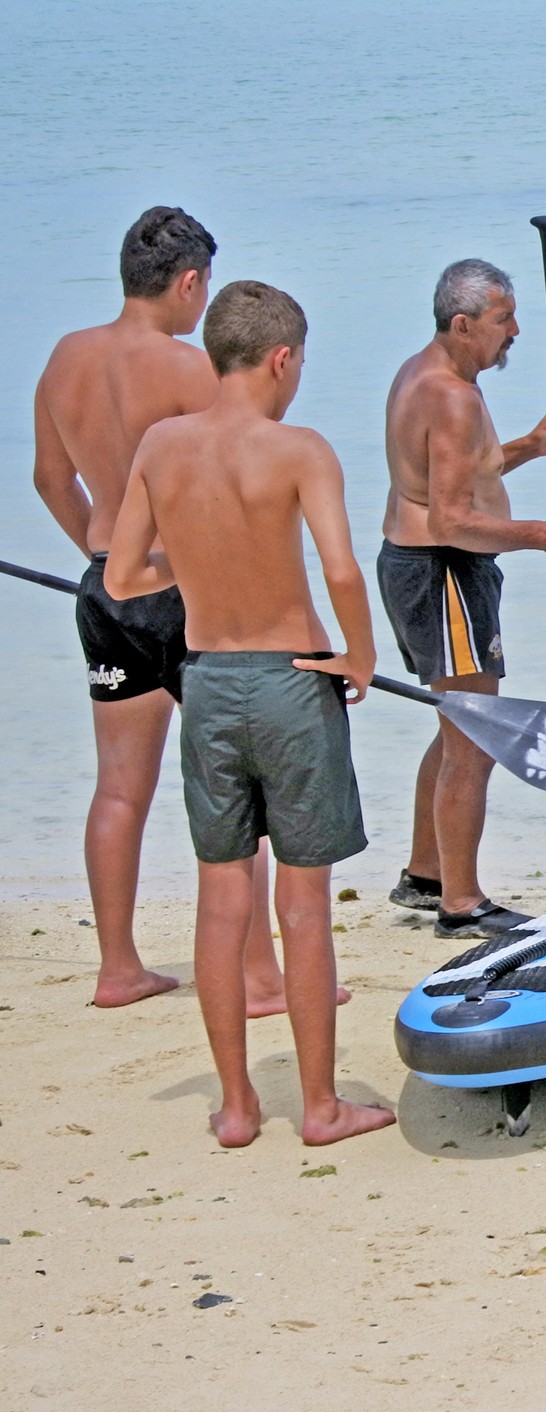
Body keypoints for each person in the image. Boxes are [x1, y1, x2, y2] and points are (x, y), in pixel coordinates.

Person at [104, 279, 393, 1147]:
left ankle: (235, 1109)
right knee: (302, 904)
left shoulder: (162, 445)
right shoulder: (299, 447)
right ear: (281, 358)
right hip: (291, 679)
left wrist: (196, 564)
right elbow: (341, 569)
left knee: (221, 895)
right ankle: (319, 1107)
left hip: (210, 683)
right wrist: (361, 655)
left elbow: (120, 579)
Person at [32, 207, 319, 1015]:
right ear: (191, 283)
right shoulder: (188, 367)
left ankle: (118, 968)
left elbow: (51, 480)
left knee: (119, 787)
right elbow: (255, 460)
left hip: (104, 588)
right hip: (189, 599)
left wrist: (105, 555)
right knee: (239, 792)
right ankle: (262, 976)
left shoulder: (64, 359)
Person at [379, 258, 546, 937]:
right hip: (443, 569)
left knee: (456, 727)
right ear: (463, 324)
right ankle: (461, 905)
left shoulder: (433, 373)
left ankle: (425, 875)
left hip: (428, 568)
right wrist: (543, 535)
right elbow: (449, 519)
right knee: (474, 737)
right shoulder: (450, 394)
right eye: (504, 320)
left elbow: (467, 467)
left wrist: (532, 444)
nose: (517, 331)